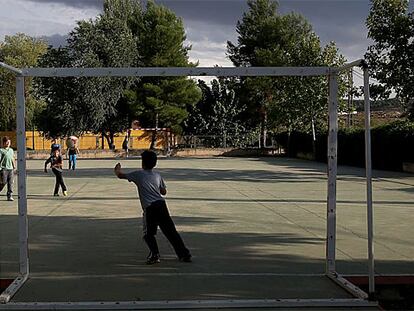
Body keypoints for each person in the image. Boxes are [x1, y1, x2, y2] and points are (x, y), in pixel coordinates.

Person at [114, 150, 191, 265]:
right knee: (171, 232)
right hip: (161, 205)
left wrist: (117, 169)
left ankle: (155, 254)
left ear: (143, 163)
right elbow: (163, 191)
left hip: (150, 208)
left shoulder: (138, 174)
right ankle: (184, 254)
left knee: (148, 234)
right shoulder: (157, 175)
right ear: (155, 163)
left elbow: (121, 175)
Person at [0, 136, 16, 201]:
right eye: (7, 142)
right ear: (4, 143)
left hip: (11, 169)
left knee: (10, 182)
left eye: (9, 142)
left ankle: (9, 196)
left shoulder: (11, 150)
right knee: (3, 182)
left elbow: (13, 158)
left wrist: (14, 167)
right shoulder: (1, 150)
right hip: (3, 169)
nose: (9, 143)